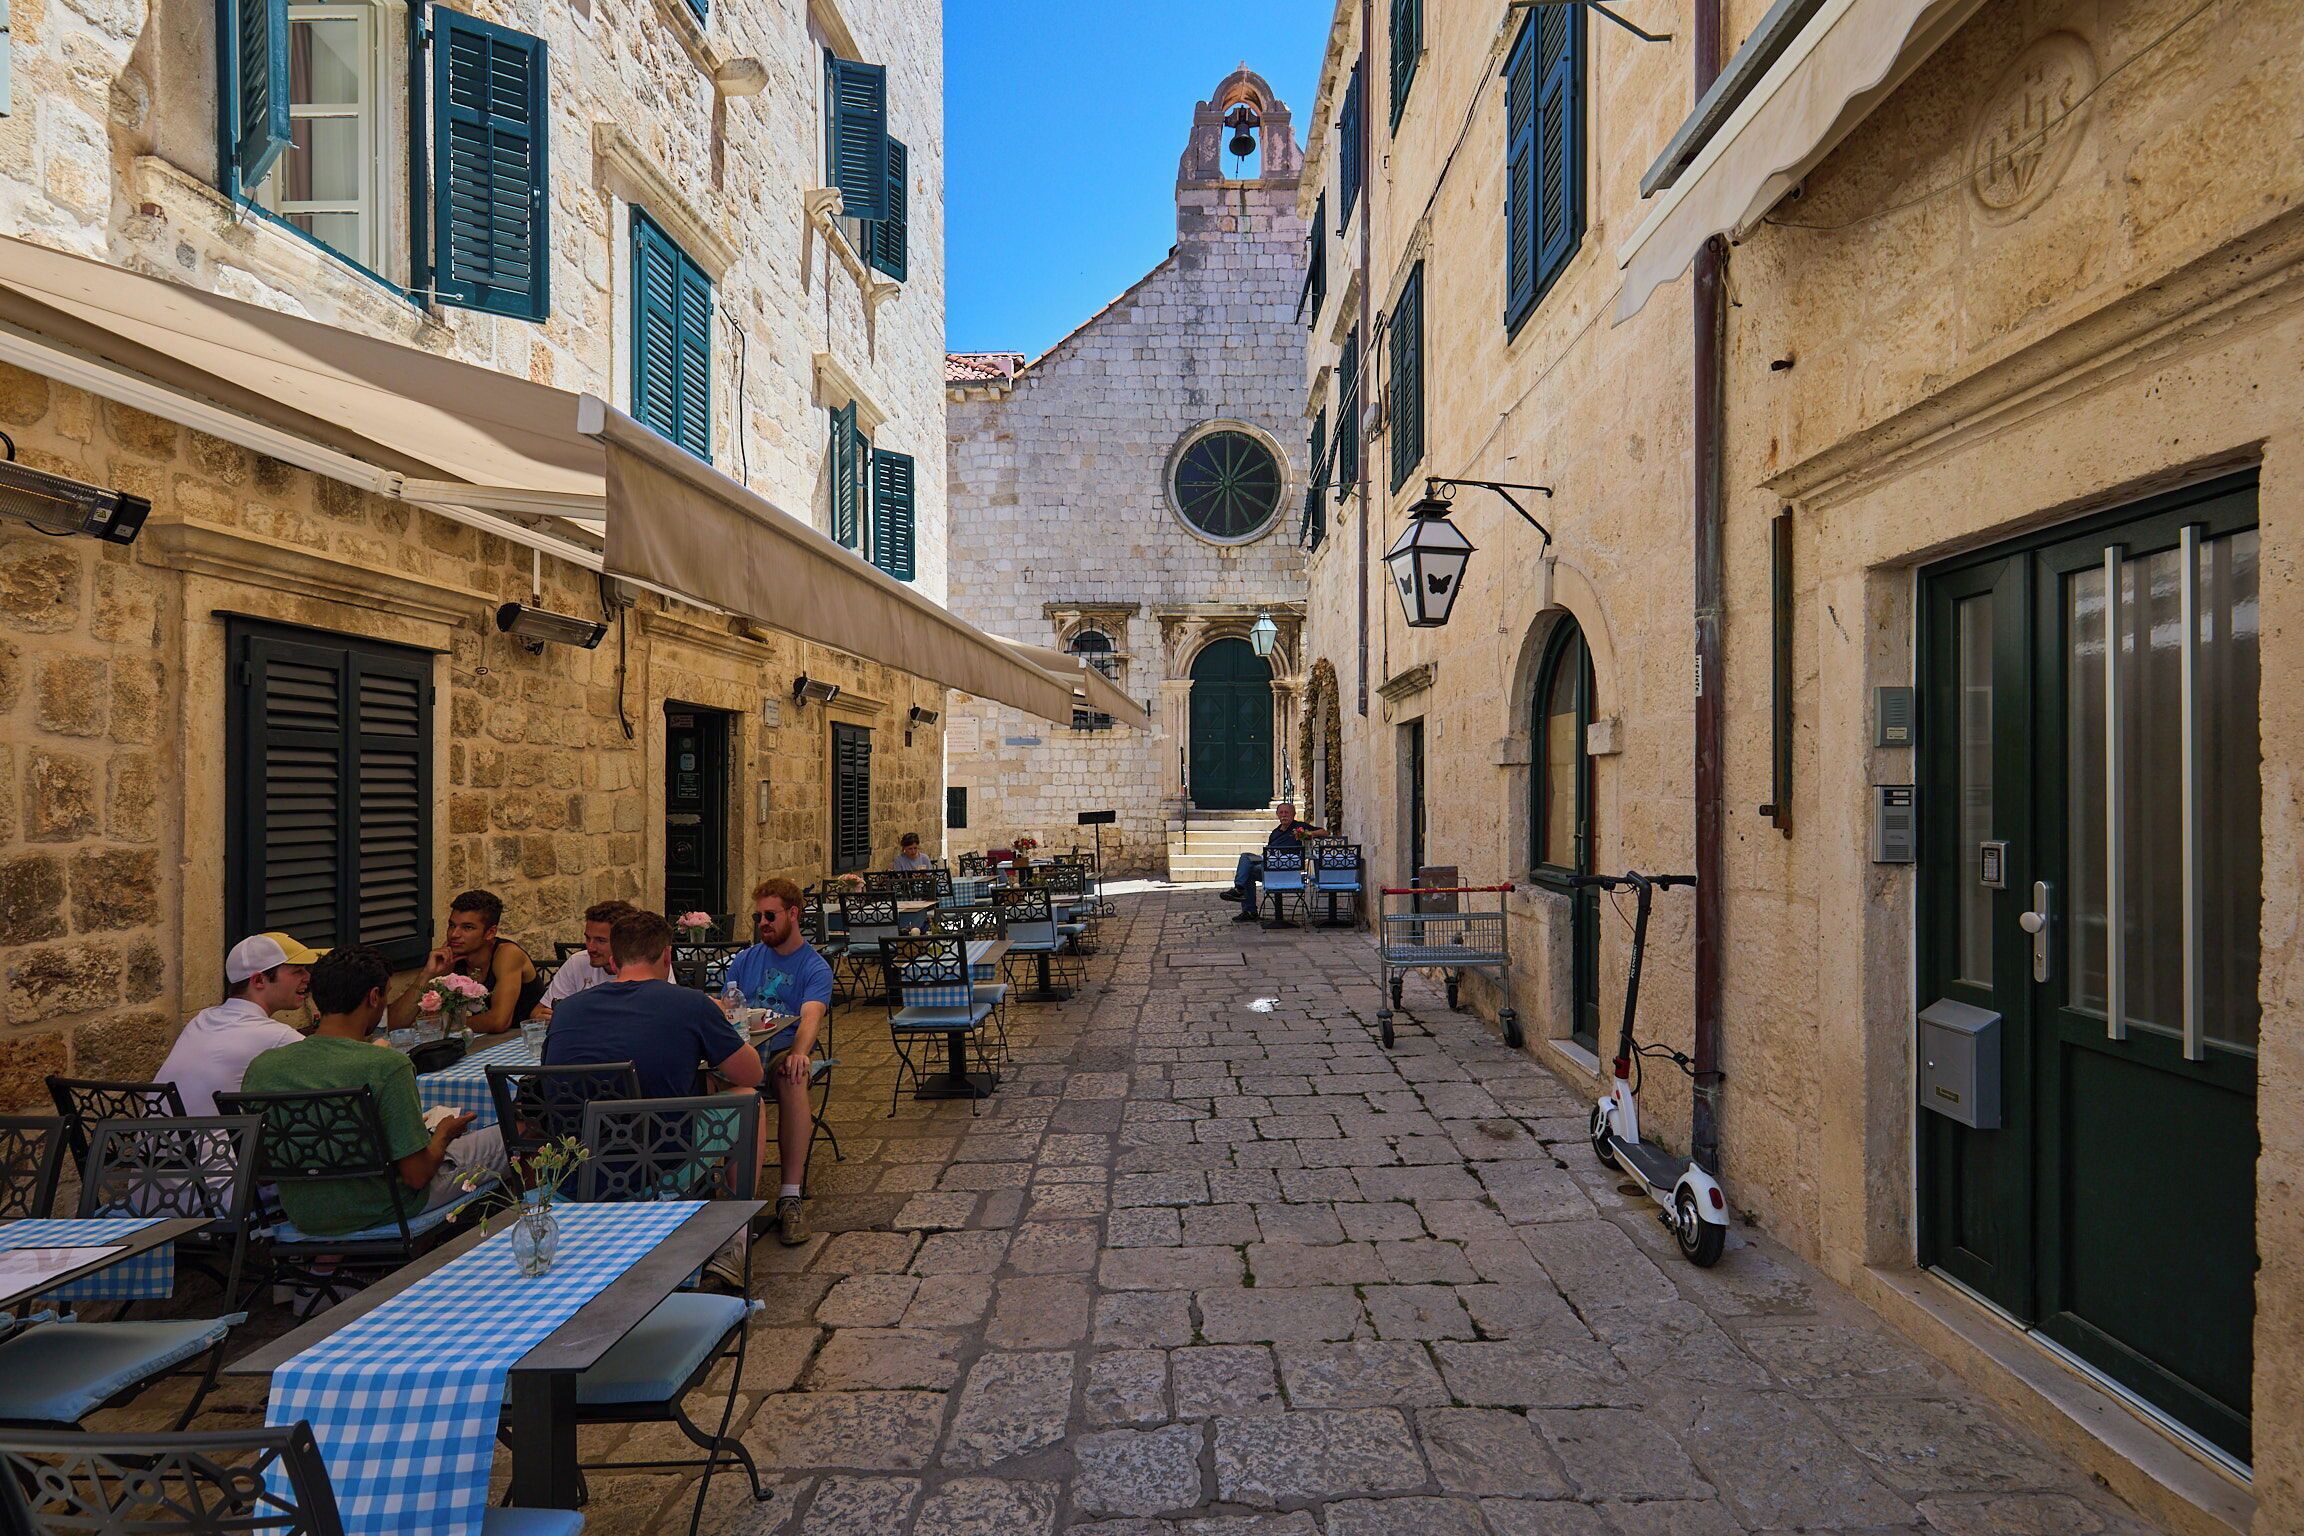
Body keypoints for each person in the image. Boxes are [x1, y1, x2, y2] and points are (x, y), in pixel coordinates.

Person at [241, 945, 506, 1237]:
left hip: (306, 1212)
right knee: (514, 1133)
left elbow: (263, 1163)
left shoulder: (262, 1068)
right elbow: (417, 1176)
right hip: (389, 1205)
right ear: (373, 997)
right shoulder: (386, 1065)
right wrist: (443, 1134)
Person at [545, 907, 765, 1101]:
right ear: (667, 957)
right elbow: (751, 1075)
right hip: (666, 1138)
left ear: (613, 962)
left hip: (578, 1143)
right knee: (749, 1098)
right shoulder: (692, 1004)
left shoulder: (565, 1009)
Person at [723, 878, 837, 1247]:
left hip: (782, 1050)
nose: (763, 924)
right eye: (758, 917)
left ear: (793, 914)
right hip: (743, 1052)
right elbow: (728, 1007)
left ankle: (790, 1194)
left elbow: (810, 1016)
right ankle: (723, 1199)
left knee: (793, 1076)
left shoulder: (813, 967)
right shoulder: (745, 959)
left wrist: (801, 1052)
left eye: (770, 916)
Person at [157, 933, 324, 1115]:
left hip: (153, 1142)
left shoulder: (202, 1019)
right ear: (259, 980)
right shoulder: (276, 1036)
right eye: (297, 970)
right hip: (215, 1143)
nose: (308, 976)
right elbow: (336, 1073)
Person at [388, 888, 544, 1034]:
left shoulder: (507, 954)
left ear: (490, 933)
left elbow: (499, 1021)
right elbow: (394, 1024)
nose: (454, 934)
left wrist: (444, 1025)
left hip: (523, 1042)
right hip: (480, 1044)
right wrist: (427, 974)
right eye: (451, 925)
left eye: (467, 927)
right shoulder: (451, 958)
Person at [530, 899, 633, 1020]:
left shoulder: (642, 968)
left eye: (601, 940)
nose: (590, 948)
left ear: (624, 941)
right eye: (588, 938)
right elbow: (539, 1011)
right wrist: (542, 1017)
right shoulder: (578, 962)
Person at [1221, 802, 1324, 922]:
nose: (1284, 815)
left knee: (1248, 868)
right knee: (1246, 860)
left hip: (1288, 871)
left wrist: (1307, 834)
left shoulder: (1299, 827)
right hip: (1270, 868)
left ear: (1293, 814)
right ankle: (1247, 908)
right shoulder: (1275, 833)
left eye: (1287, 812)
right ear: (1277, 815)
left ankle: (1240, 892)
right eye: (1281, 812)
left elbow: (1323, 832)